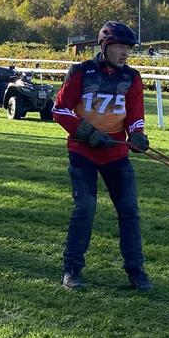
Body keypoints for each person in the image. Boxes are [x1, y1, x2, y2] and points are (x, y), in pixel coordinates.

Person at [52, 21, 152, 291]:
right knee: (85, 208)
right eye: (120, 47)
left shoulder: (132, 78)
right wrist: (86, 131)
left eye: (128, 49)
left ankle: (136, 271)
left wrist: (138, 136)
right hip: (83, 152)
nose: (125, 53)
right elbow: (60, 110)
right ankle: (71, 270)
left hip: (116, 154)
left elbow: (134, 116)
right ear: (105, 46)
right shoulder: (81, 72)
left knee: (129, 211)